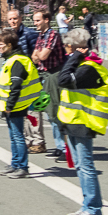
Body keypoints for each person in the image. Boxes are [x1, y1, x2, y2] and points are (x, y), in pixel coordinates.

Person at [54, 27, 108, 215]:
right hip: (74, 121)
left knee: (86, 166)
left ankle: (94, 210)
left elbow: (63, 80)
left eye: (66, 47)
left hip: (84, 122)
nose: (64, 51)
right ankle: (87, 206)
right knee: (80, 165)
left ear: (72, 47)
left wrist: (73, 58)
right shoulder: (83, 65)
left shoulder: (88, 68)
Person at [0, 28, 41, 179]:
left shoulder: (17, 61)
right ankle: (15, 163)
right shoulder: (13, 59)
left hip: (16, 105)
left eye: (1, 44)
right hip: (13, 105)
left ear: (9, 45)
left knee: (17, 136)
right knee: (14, 136)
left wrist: (9, 106)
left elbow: (15, 86)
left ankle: (22, 166)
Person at [27, 9, 64, 154]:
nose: (35, 23)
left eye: (37, 20)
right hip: (42, 75)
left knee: (53, 111)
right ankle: (44, 143)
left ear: (46, 20)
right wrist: (37, 55)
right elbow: (33, 56)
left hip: (53, 74)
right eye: (34, 20)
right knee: (39, 109)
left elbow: (41, 56)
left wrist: (38, 55)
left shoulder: (53, 34)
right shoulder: (41, 35)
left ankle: (62, 147)